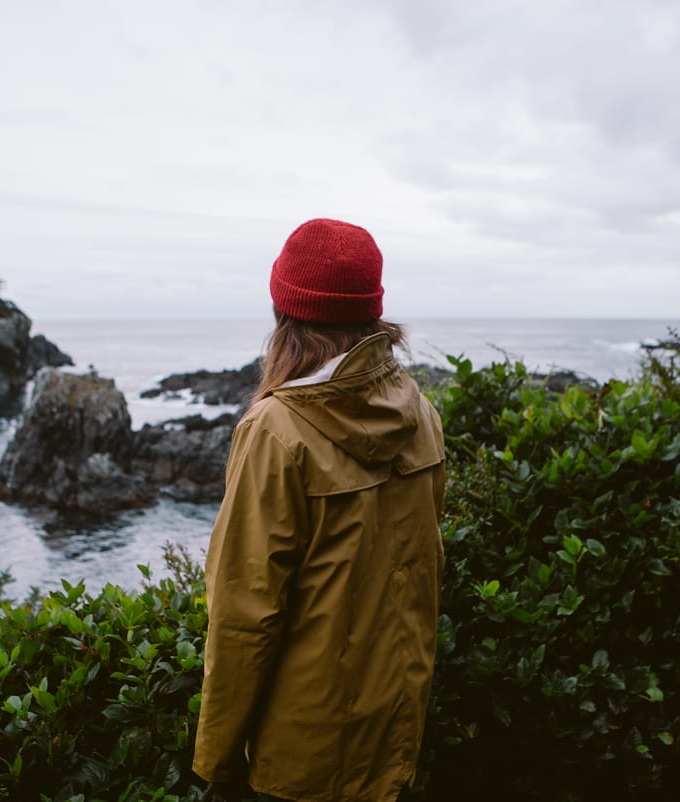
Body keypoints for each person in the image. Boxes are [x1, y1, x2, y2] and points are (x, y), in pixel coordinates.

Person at [192, 218, 446, 802]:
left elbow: (244, 611)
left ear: (286, 312)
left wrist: (215, 762)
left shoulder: (276, 430)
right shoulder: (421, 415)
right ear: (372, 312)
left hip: (301, 753)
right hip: (397, 728)